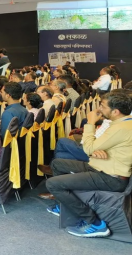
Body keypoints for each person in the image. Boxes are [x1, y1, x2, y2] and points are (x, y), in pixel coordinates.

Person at [45, 92, 132, 238]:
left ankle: (95, 223)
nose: (99, 110)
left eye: (103, 107)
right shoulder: (123, 122)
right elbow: (94, 148)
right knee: (58, 164)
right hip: (101, 165)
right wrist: (94, 150)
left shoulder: (121, 128)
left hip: (110, 177)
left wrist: (90, 123)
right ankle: (66, 204)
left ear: (115, 111)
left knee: (53, 184)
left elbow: (88, 147)